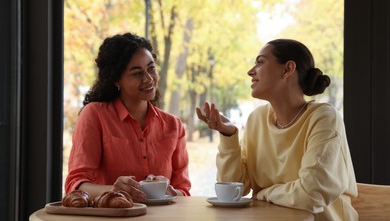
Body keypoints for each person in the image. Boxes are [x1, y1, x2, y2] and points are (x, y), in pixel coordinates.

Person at [196, 39, 358, 220]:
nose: (250, 71)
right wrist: (228, 135)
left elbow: (311, 195)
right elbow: (234, 188)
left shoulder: (324, 118)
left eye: (260, 62)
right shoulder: (256, 120)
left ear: (287, 69)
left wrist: (264, 194)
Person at [65, 32, 191, 202]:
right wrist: (115, 190)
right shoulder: (94, 115)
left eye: (151, 68)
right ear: (116, 80)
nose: (148, 79)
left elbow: (183, 190)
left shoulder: (173, 125)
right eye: (137, 73)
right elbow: (75, 184)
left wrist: (168, 190)